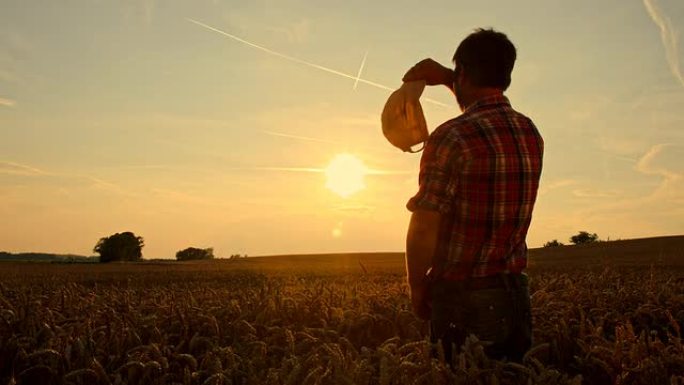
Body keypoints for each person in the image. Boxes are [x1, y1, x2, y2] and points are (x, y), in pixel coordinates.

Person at [402, 28, 544, 363]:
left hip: (460, 296)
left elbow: (424, 224)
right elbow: (481, 101)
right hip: (513, 295)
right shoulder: (529, 132)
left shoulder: (451, 136)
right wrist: (451, 77)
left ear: (463, 72)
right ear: (507, 74)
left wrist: (417, 286)